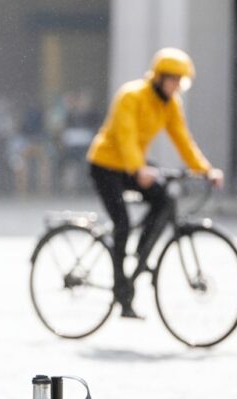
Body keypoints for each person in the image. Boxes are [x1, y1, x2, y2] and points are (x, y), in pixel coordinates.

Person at [87, 47, 224, 319]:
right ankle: (121, 289)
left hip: (133, 165)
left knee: (165, 199)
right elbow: (125, 136)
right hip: (105, 164)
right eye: (173, 80)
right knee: (122, 223)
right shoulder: (132, 95)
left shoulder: (170, 104)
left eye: (180, 82)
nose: (176, 86)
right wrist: (139, 168)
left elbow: (183, 139)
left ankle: (141, 251)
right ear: (159, 77)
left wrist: (205, 170)